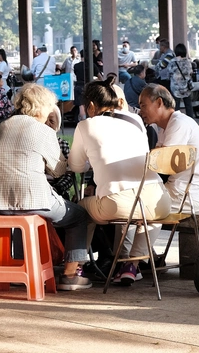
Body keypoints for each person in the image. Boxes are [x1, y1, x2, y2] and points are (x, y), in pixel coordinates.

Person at [0, 83, 90, 291]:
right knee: (79, 216)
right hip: (31, 198)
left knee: (20, 214)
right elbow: (58, 170)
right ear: (41, 107)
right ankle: (70, 275)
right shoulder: (43, 130)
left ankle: (20, 265)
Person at [71, 75, 170, 285]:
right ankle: (131, 266)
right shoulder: (136, 120)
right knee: (146, 216)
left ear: (91, 106)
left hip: (117, 203)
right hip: (159, 200)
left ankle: (75, 268)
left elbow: (77, 167)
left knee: (80, 210)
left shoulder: (86, 126)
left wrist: (93, 161)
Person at [138, 84, 199, 212]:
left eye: (143, 106)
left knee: (133, 207)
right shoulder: (165, 128)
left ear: (159, 102)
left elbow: (159, 164)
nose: (141, 111)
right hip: (176, 188)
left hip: (187, 193)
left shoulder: (179, 123)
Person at [167, 43, 194, 117]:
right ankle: (190, 119)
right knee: (188, 105)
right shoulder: (188, 61)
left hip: (176, 87)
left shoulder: (172, 62)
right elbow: (190, 72)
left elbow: (169, 72)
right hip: (186, 86)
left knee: (176, 106)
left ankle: (176, 120)